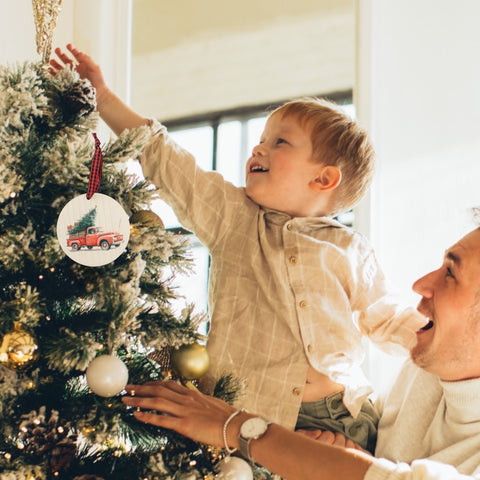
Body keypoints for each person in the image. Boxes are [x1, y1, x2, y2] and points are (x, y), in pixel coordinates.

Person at [50, 45, 426, 453]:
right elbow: (168, 160)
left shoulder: (349, 248)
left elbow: (387, 318)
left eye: (279, 142)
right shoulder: (234, 218)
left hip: (337, 416)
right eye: (260, 139)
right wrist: (103, 97)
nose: (257, 149)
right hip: (244, 411)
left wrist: (443, 342)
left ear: (323, 179)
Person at [122, 225, 480, 479]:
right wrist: (351, 455)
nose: (421, 285)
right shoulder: (427, 368)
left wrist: (236, 426)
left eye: (450, 273)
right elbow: (382, 464)